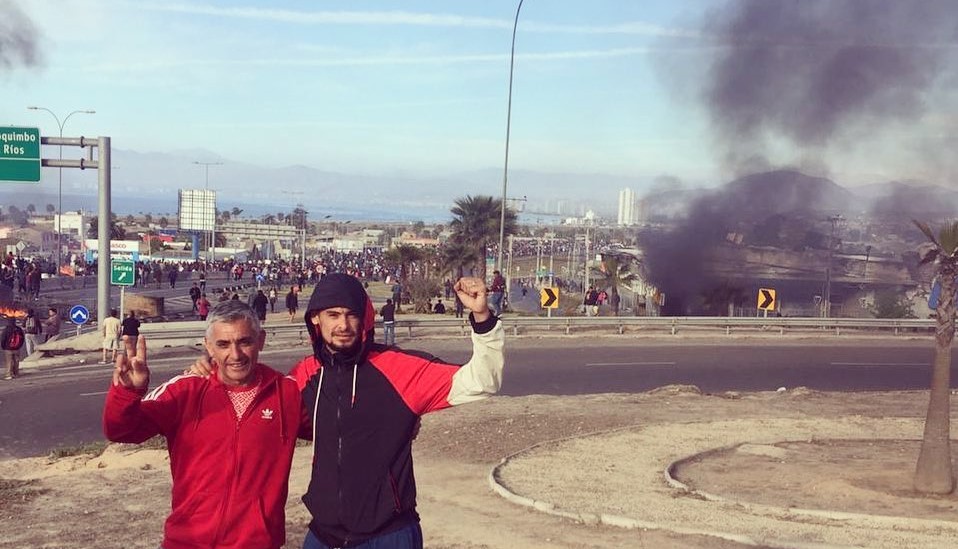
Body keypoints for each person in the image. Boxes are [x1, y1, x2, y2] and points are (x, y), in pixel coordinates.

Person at [190, 273, 504, 549]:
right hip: (322, 536)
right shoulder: (303, 375)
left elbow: (481, 382)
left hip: (388, 535)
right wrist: (210, 371)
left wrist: (483, 319)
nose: (343, 325)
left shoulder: (399, 369)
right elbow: (250, 397)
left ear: (364, 318)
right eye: (333, 314)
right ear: (316, 318)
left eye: (351, 315)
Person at [103, 301, 307, 549]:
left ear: (261, 340)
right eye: (223, 344)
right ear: (208, 346)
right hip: (188, 542)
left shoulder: (287, 394)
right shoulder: (186, 389)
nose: (235, 355)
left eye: (245, 342)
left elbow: (342, 425)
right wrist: (128, 392)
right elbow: (121, 431)